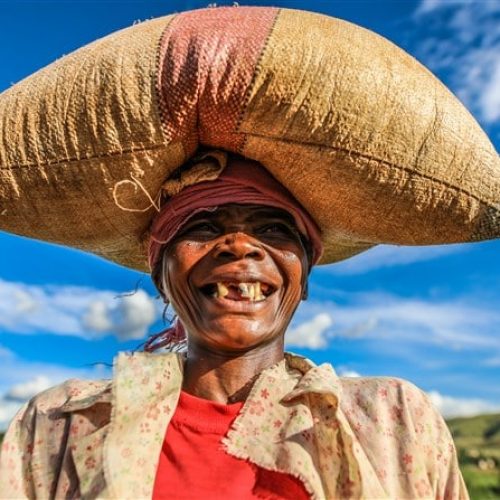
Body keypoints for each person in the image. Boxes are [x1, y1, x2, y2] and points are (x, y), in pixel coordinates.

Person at [0, 152, 468, 499]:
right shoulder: (59, 423)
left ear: (302, 280)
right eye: (202, 225)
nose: (239, 246)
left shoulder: (393, 417)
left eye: (273, 229)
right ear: (161, 278)